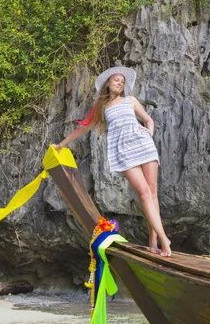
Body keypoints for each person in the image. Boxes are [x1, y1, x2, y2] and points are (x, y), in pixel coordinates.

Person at [53, 66, 171, 257]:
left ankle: (154, 241)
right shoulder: (102, 107)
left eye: (122, 81)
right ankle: (164, 238)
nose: (120, 83)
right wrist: (61, 145)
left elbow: (149, 121)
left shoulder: (130, 100)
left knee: (153, 193)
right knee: (143, 192)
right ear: (108, 82)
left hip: (144, 146)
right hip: (124, 151)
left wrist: (148, 134)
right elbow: (83, 128)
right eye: (116, 80)